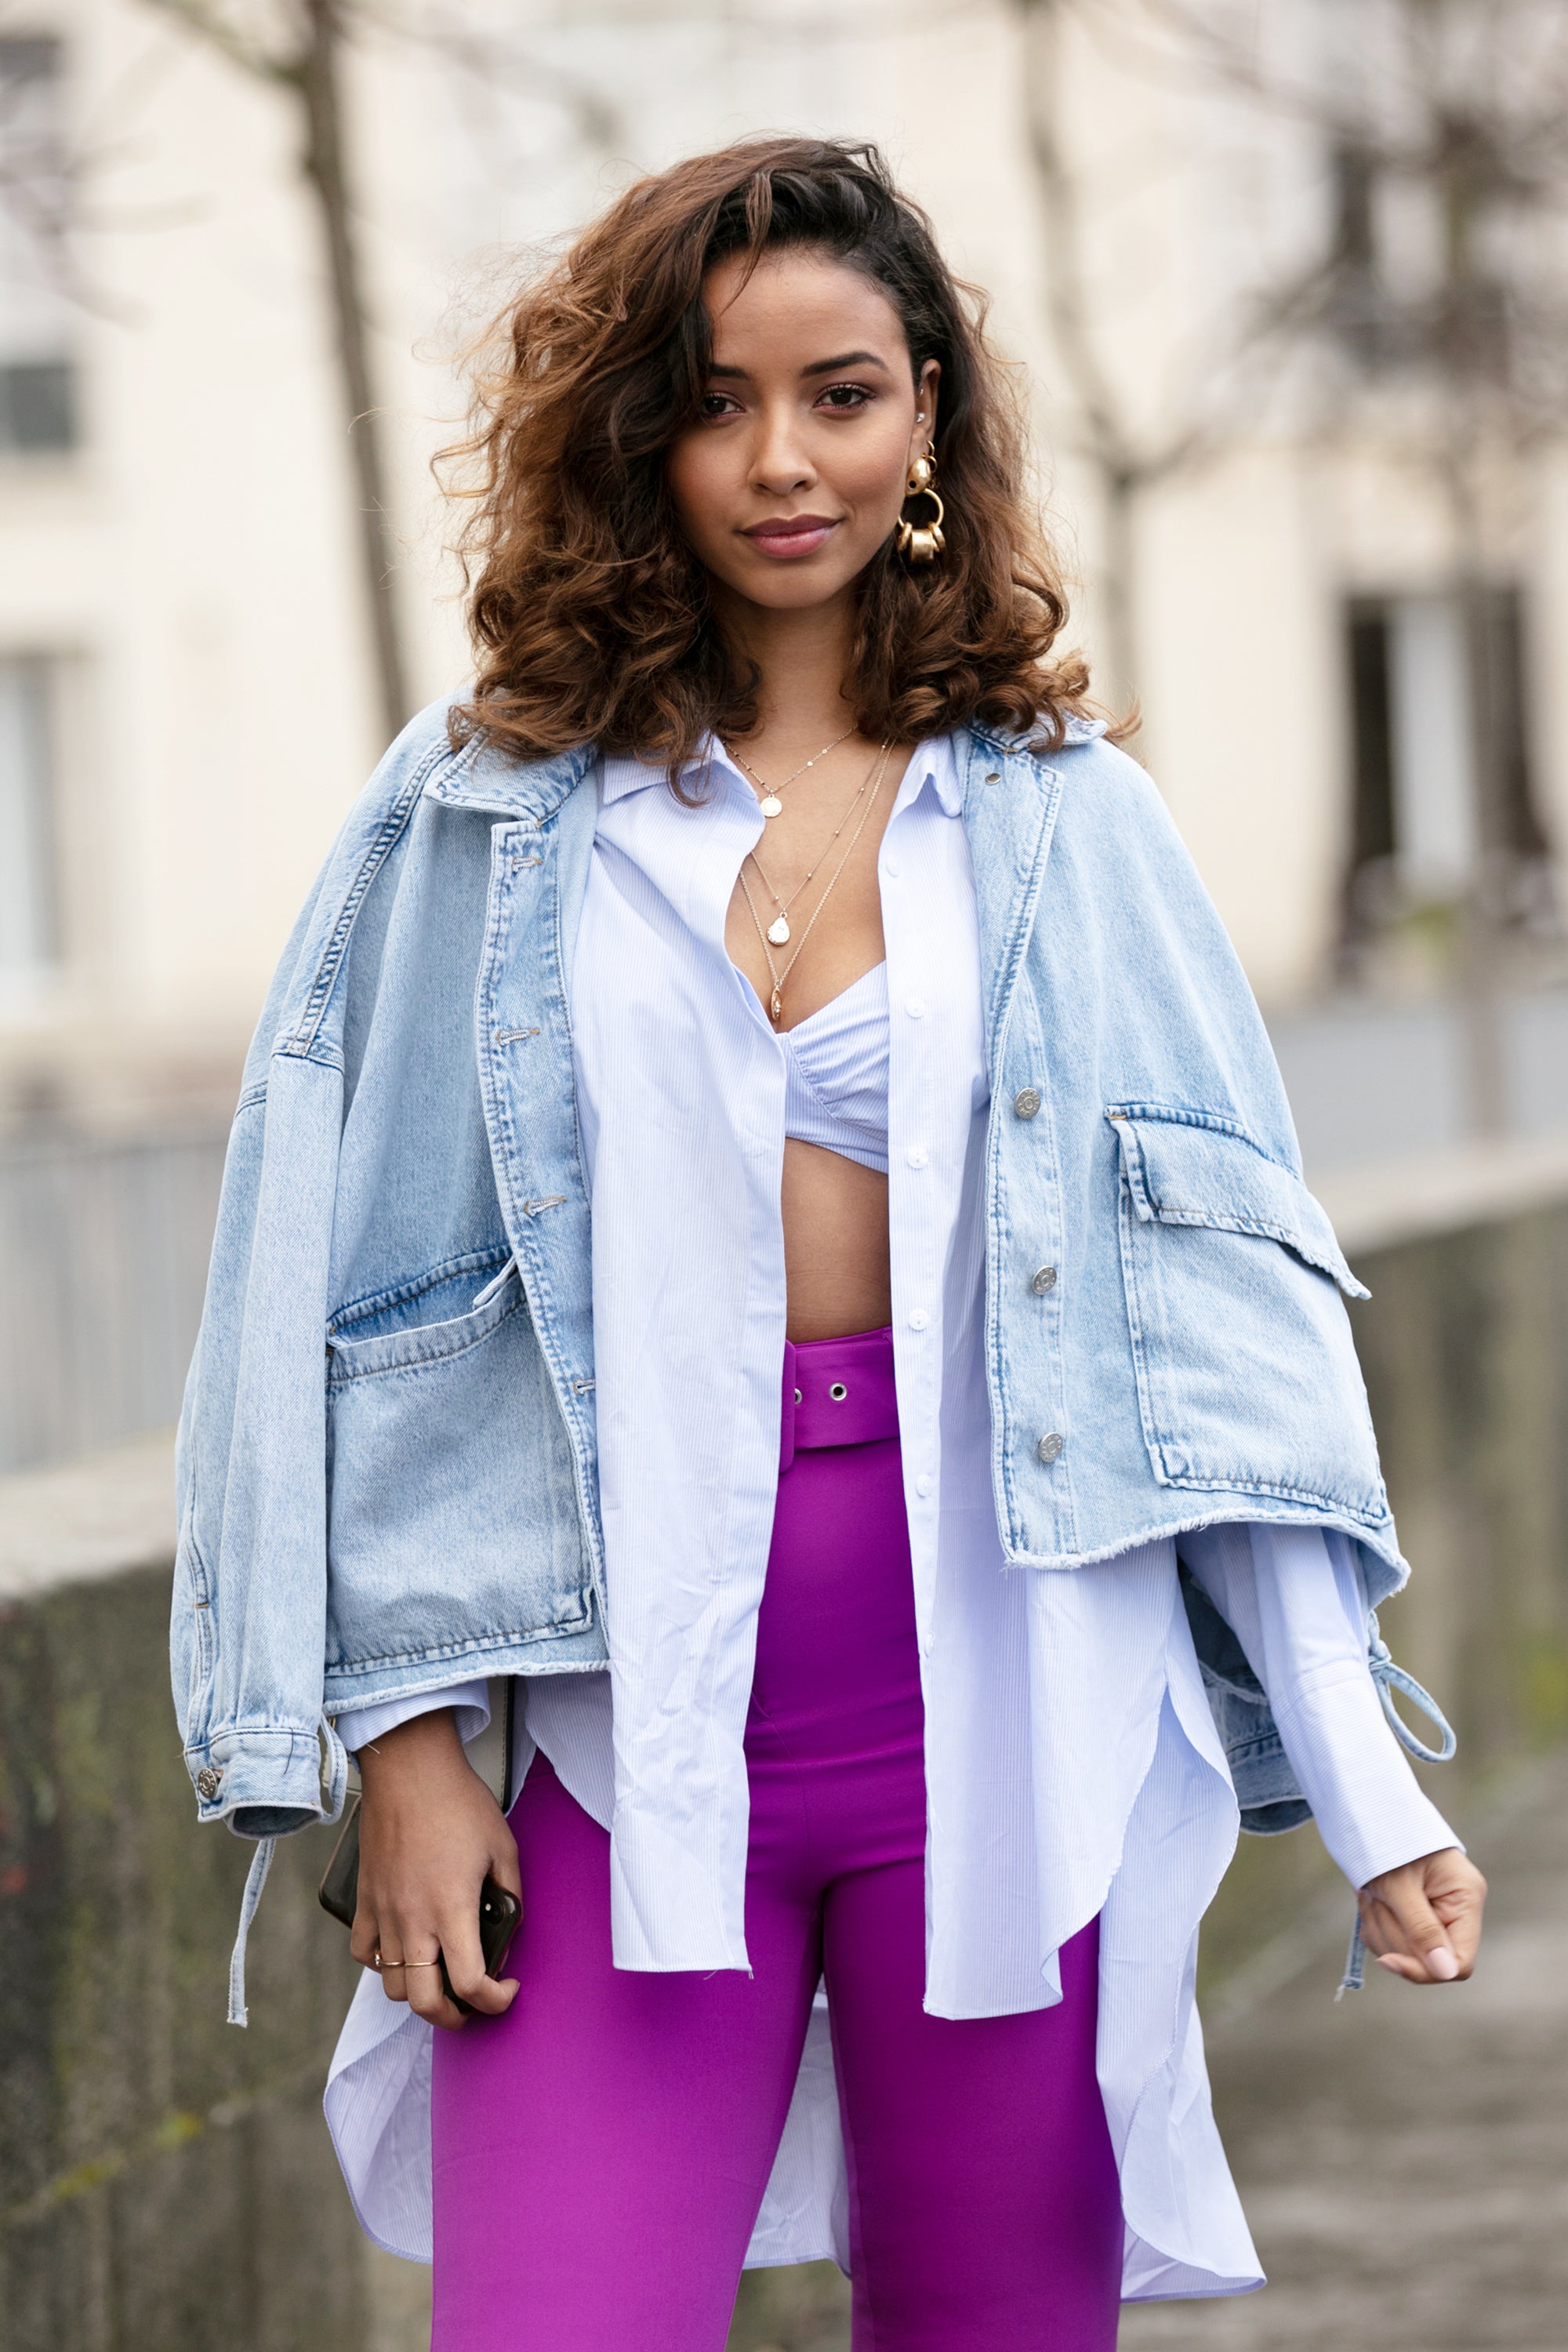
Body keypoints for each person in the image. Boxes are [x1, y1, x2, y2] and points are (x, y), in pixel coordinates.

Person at [172, 137, 1486, 2351]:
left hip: (1006, 1709)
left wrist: (1363, 1783)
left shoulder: (1072, 824)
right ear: (630, 438)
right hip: (623, 1725)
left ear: (932, 421)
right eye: (712, 400)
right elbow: (343, 1283)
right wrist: (399, 1735)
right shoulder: (480, 811)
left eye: (844, 394)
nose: (782, 461)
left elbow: (1215, 1326)